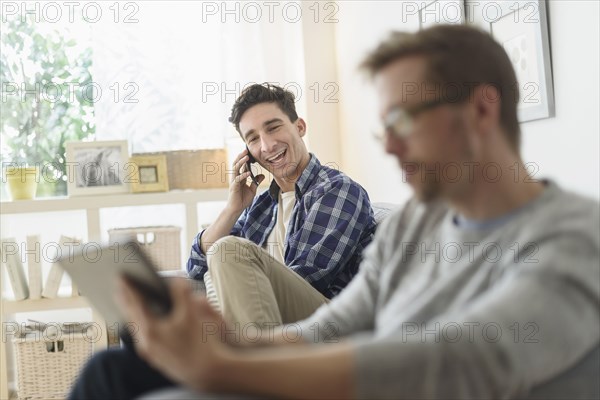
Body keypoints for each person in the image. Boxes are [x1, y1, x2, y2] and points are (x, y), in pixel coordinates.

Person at [69, 25, 599, 399]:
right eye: (382, 126)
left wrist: (228, 367)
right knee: (110, 372)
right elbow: (332, 324)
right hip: (327, 358)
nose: (389, 146)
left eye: (404, 120)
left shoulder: (574, 239)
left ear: (482, 109)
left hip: (369, 382)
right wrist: (231, 341)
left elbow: (452, 366)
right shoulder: (419, 222)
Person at [186, 83, 376, 327]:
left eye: (273, 128)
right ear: (248, 153)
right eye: (253, 139)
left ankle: (245, 357)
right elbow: (195, 265)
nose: (267, 146)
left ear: (299, 127)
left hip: (329, 322)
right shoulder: (261, 207)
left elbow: (307, 279)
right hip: (269, 324)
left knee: (227, 251)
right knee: (216, 262)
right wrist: (233, 209)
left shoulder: (338, 191)